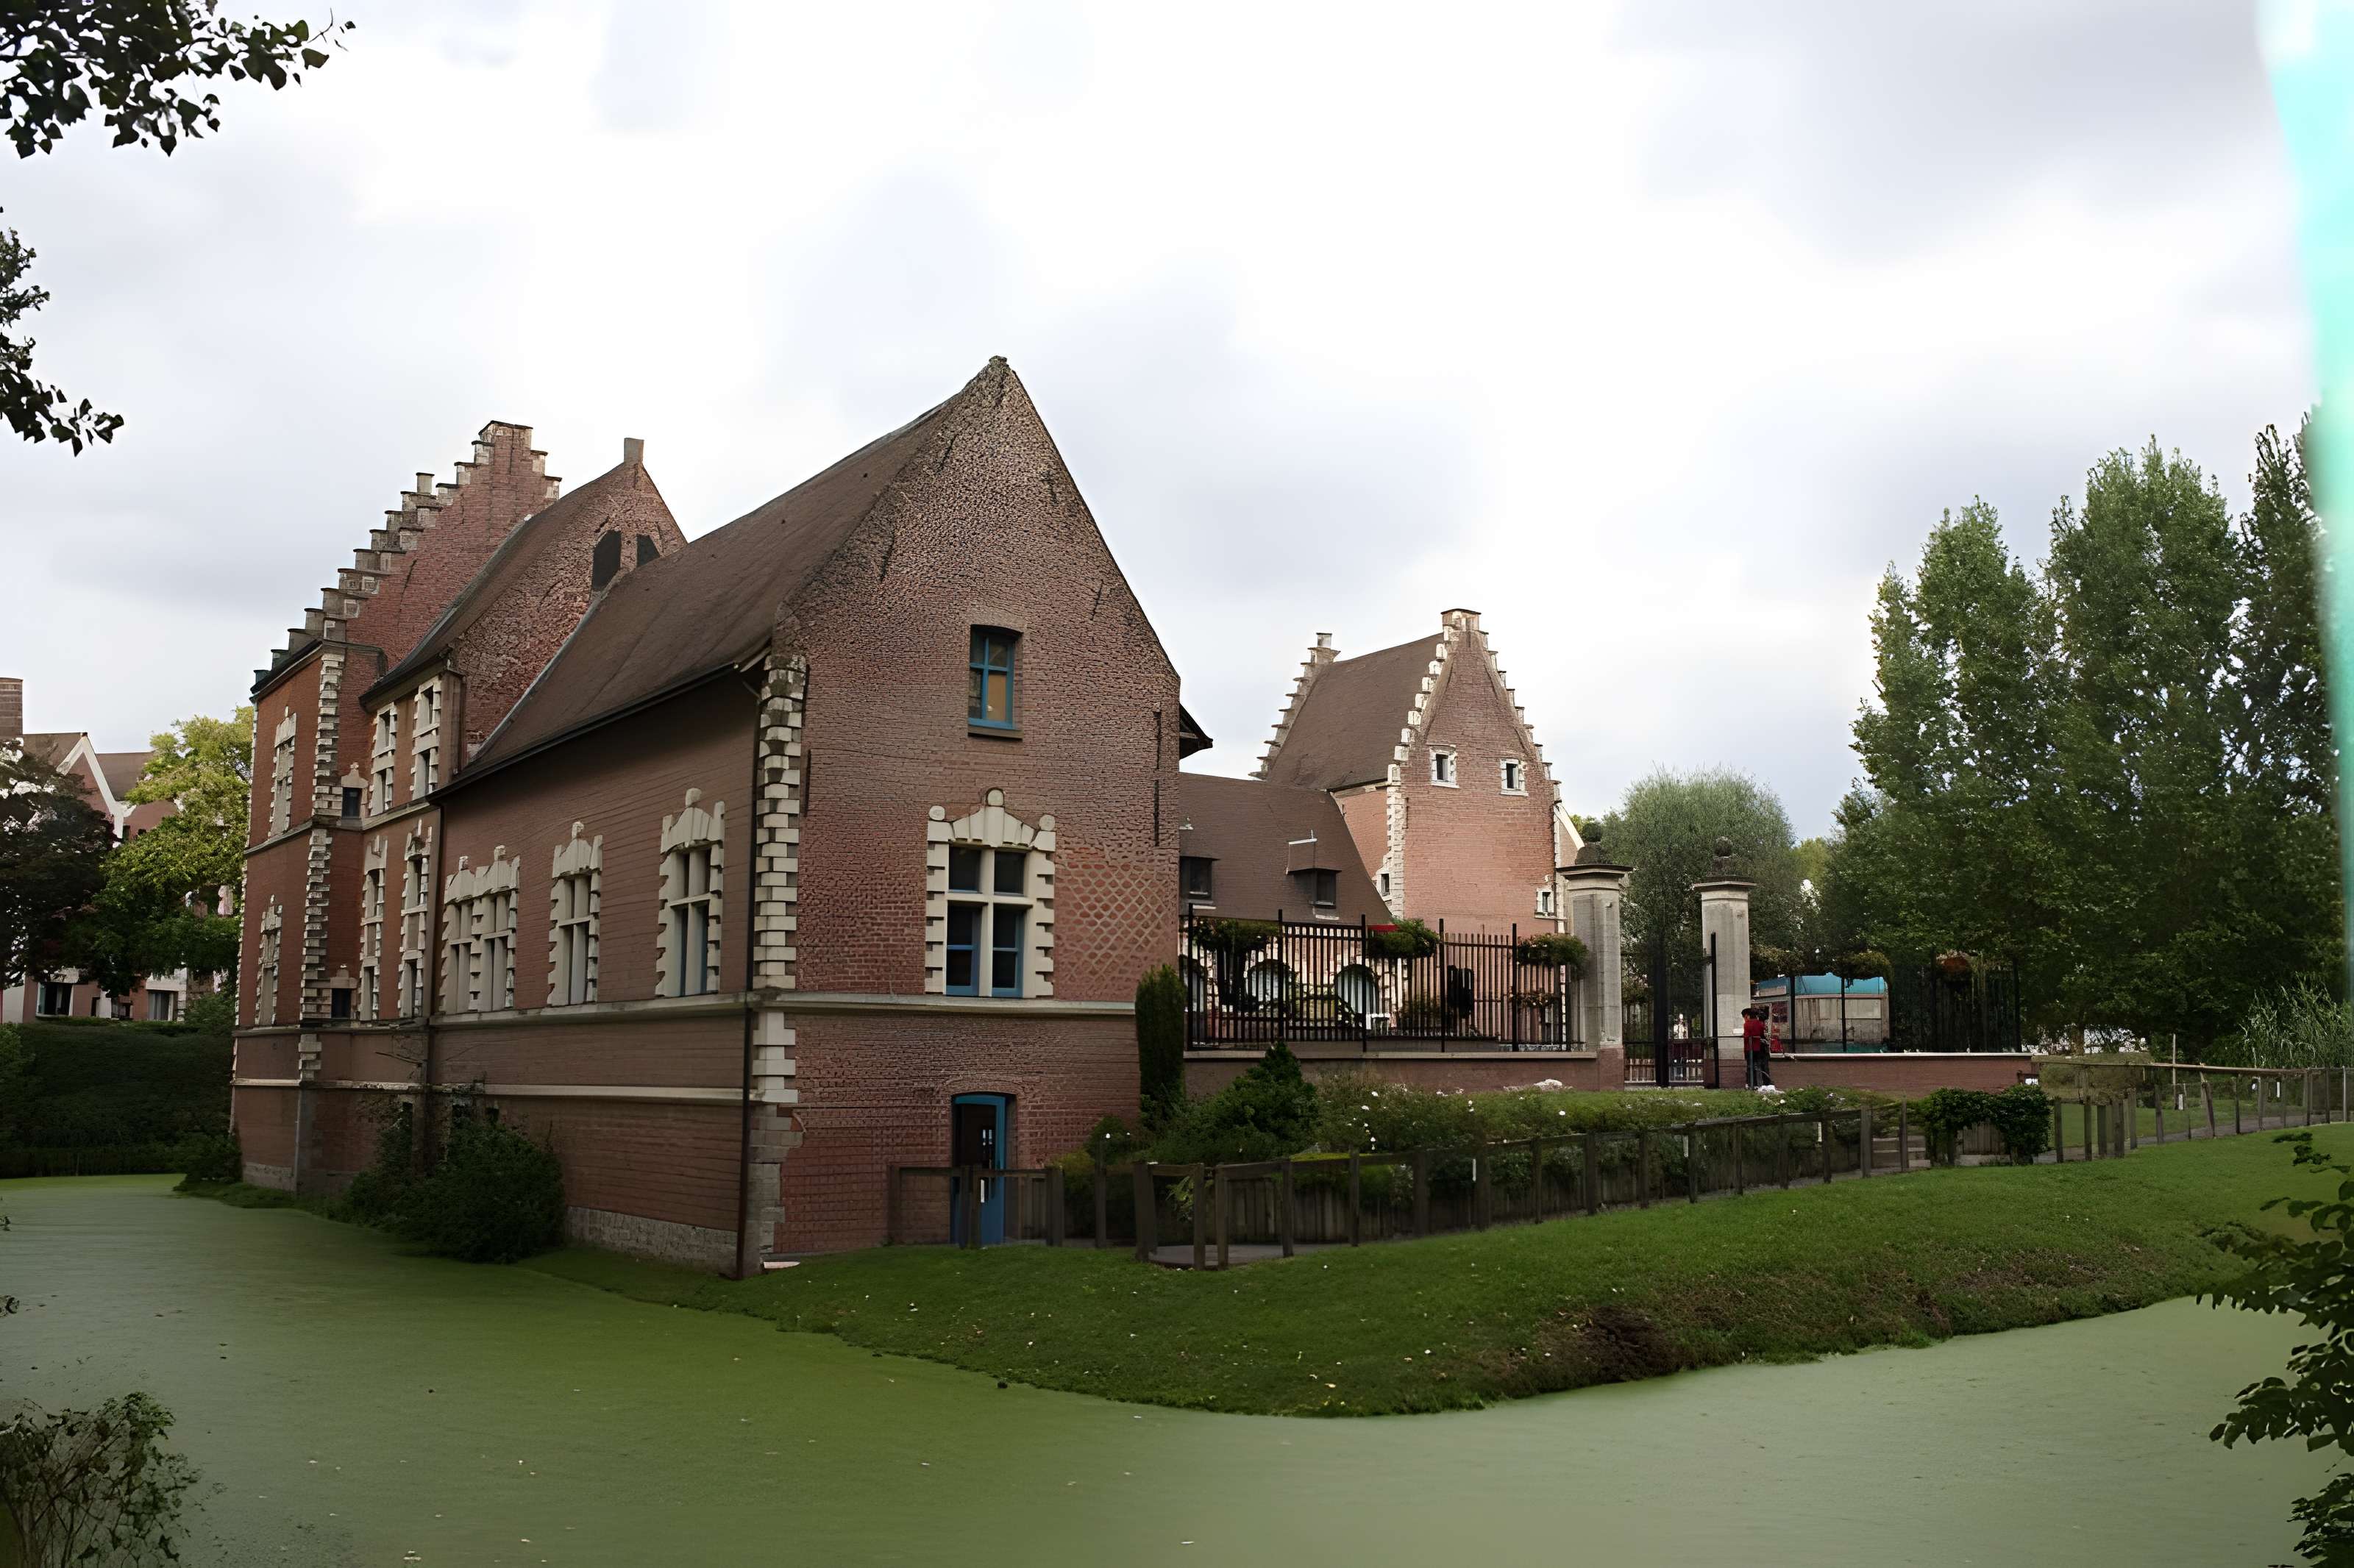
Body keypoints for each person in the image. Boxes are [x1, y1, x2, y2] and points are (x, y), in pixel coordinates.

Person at [1743, 1005, 1771, 1088]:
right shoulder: (1760, 1024)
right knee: (1762, 1065)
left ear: (1748, 1016)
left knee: (1750, 1066)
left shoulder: (1746, 1024)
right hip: (1760, 1048)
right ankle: (1766, 1084)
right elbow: (1762, 1034)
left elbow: (1746, 1035)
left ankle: (1752, 1083)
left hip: (1749, 1048)